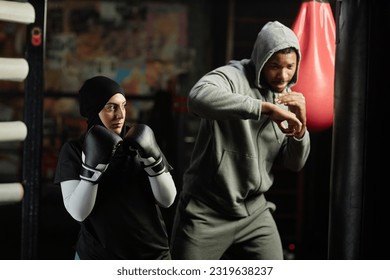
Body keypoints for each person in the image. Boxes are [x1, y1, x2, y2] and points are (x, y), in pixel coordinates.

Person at [170, 21, 310, 260]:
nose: (283, 75)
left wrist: (300, 130)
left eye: (289, 67)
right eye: (275, 66)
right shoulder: (232, 76)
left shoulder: (289, 97)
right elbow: (197, 98)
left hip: (255, 212)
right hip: (206, 211)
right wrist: (263, 108)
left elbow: (294, 164)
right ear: (261, 59)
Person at [54, 75, 177, 259]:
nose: (120, 115)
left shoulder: (140, 141)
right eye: (111, 107)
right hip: (97, 258)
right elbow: (78, 213)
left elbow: (168, 200)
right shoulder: (75, 149)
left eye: (123, 105)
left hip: (152, 255)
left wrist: (154, 161)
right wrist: (92, 172)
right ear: (94, 110)